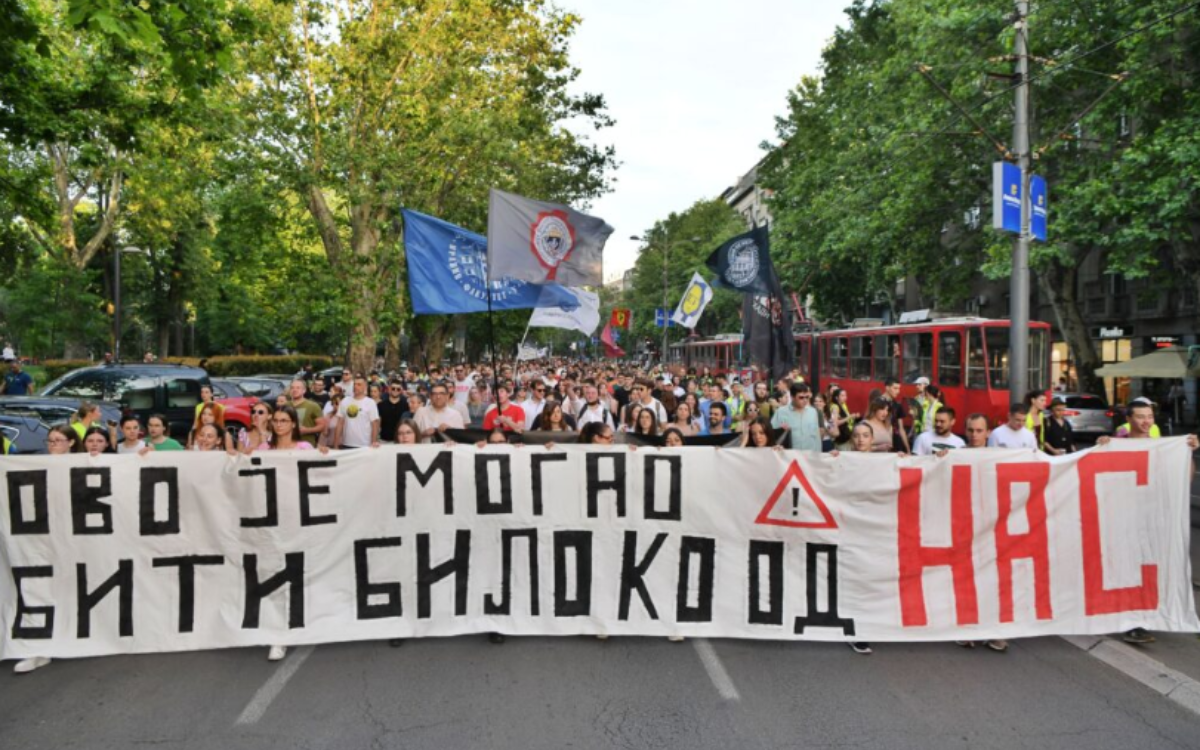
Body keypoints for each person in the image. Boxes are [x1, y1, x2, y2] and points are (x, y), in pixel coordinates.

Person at [1097, 401, 1199, 644]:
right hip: (1125, 520)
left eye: (1150, 416)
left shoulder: (1162, 446)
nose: (1146, 421)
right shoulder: (1116, 445)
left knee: (1159, 569)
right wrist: (1101, 448)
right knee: (1129, 572)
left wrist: (1187, 454)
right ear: (1128, 419)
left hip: (1154, 519)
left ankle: (1167, 615)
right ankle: (1132, 622)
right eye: (1141, 416)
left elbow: (1185, 477)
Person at [12, 424, 81, 674]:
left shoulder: (85, 464)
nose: (53, 445)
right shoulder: (35, 465)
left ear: (71, 443)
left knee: (69, 590)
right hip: (41, 539)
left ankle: (69, 638)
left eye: (58, 440)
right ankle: (40, 647)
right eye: (50, 440)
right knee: (40, 589)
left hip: (74, 541)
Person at [335, 376, 381, 449]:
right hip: (346, 444)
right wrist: (336, 444)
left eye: (359, 384)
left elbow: (374, 425)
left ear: (365, 387)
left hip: (365, 445)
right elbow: (340, 423)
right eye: (354, 384)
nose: (355, 387)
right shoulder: (345, 401)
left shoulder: (370, 403)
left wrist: (373, 443)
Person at [288, 379, 327, 447]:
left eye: (298, 388)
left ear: (304, 390)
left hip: (307, 445)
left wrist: (307, 430)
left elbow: (322, 426)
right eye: (292, 387)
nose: (294, 390)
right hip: (287, 445)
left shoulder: (313, 406)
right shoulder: (285, 405)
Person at [882, 377, 911, 453]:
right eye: (895, 388)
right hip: (882, 444)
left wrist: (908, 449)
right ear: (887, 388)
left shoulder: (898, 405)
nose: (898, 391)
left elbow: (901, 429)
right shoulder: (877, 403)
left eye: (899, 389)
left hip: (897, 445)